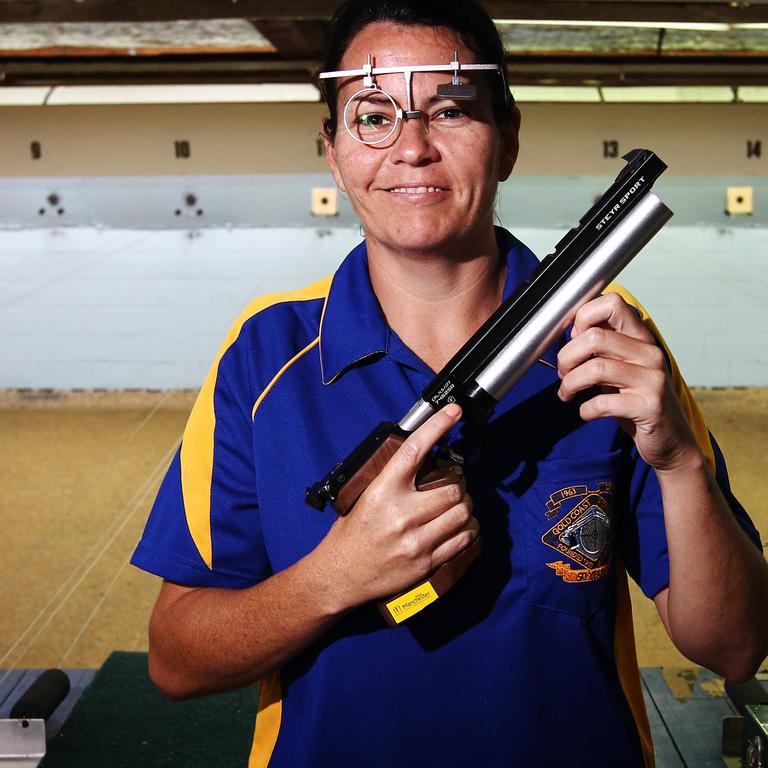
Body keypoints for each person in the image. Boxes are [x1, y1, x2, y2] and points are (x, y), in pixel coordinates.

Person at [131, 2, 768, 766]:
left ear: (508, 141)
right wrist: (334, 577)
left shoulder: (607, 338)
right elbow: (176, 658)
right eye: (373, 116)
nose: (412, 148)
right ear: (332, 153)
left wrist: (678, 462)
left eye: (451, 110)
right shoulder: (264, 355)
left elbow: (734, 648)